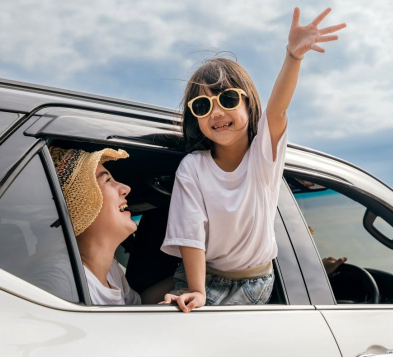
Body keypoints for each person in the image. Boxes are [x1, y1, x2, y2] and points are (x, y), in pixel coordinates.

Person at [160, 7, 346, 312]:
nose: (217, 112)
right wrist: (196, 290)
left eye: (228, 99)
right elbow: (190, 231)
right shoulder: (193, 167)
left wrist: (293, 57)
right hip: (204, 277)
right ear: (196, 117)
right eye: (203, 105)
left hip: (255, 281)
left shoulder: (263, 158)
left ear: (248, 103)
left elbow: (277, 111)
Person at [50, 147, 142, 305]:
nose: (126, 189)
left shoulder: (112, 269)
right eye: (108, 180)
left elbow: (141, 307)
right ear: (82, 204)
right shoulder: (63, 282)